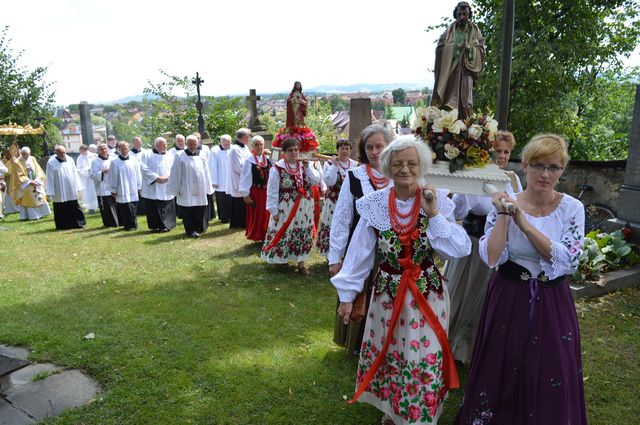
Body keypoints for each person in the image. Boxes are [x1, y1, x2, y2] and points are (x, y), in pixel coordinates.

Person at [332, 136, 471, 425]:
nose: (405, 169)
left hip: (427, 295)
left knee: (422, 354)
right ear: (388, 167)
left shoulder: (436, 200)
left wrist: (433, 215)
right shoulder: (375, 204)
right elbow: (360, 253)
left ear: (422, 166)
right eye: (398, 164)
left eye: (411, 163)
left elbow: (459, 248)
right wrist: (347, 295)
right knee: (393, 352)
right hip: (388, 294)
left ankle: (420, 414)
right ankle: (394, 410)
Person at [455, 134, 587, 424]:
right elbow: (491, 257)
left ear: (562, 169)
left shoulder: (572, 209)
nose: (545, 174)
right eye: (538, 165)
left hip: (552, 301)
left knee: (552, 367)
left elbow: (568, 258)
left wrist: (525, 226)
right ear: (525, 165)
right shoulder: (506, 202)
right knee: (501, 364)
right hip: (509, 296)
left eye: (554, 167)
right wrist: (503, 214)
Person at [445, 130, 522, 363]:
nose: (502, 156)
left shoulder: (512, 179)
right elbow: (458, 212)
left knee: (488, 297)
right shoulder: (475, 175)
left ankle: (477, 347)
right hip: (474, 245)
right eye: (498, 151)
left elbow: (519, 207)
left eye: (507, 152)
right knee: (464, 292)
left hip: (502, 248)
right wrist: (463, 192)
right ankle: (451, 344)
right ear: (487, 152)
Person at [328, 124, 393, 356]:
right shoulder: (354, 177)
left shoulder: (399, 174)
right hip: (360, 246)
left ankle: (384, 343)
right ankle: (356, 344)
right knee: (359, 291)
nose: (374, 152)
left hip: (391, 251)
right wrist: (335, 256)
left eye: (379, 146)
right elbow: (342, 217)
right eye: (369, 147)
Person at [261, 137, 320, 275]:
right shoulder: (277, 168)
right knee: (285, 231)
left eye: (296, 150)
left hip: (304, 207)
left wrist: (307, 167)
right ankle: (283, 259)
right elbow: (272, 191)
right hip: (285, 207)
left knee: (303, 232)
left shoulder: (304, 166)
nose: (294, 153)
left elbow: (315, 181)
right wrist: (273, 210)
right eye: (290, 151)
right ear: (284, 152)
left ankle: (301, 263)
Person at [430, 1, 485, 119]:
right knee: (449, 103)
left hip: (467, 70)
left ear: (469, 15)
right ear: (456, 15)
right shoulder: (449, 31)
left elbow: (481, 49)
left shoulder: (475, 30)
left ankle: (466, 125)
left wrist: (469, 48)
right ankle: (450, 128)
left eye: (465, 14)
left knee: (466, 102)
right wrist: (455, 47)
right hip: (451, 71)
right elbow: (440, 48)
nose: (462, 17)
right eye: (459, 14)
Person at [316, 139, 358, 256]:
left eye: (347, 149)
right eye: (342, 148)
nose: (344, 151)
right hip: (333, 202)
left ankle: (346, 254)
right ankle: (330, 255)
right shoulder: (329, 164)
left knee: (347, 226)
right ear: (337, 150)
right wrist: (334, 165)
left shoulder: (354, 165)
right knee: (332, 226)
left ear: (350, 151)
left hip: (349, 202)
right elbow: (329, 181)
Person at [168, 134, 213, 238]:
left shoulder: (202, 155)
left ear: (197, 144)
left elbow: (206, 172)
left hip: (200, 187)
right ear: (186, 144)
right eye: (190, 144)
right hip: (186, 187)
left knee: (200, 207)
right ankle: (190, 230)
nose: (193, 146)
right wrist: (177, 189)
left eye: (194, 144)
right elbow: (176, 173)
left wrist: (208, 186)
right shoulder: (180, 156)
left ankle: (199, 227)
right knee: (188, 209)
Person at [239, 135, 272, 242]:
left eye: (261, 144)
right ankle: (259, 236)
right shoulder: (249, 161)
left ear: (264, 145)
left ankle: (268, 235)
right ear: (252, 146)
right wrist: (245, 194)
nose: (259, 147)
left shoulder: (268, 159)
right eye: (256, 145)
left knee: (269, 213)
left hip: (268, 192)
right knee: (259, 215)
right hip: (256, 192)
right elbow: (245, 178)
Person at [45, 144, 86, 230]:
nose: (63, 154)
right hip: (59, 189)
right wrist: (50, 191)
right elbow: (49, 177)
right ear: (56, 153)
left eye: (64, 152)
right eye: (61, 153)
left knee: (74, 205)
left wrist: (78, 186)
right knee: (60, 207)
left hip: (70, 187)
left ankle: (78, 223)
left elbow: (75, 173)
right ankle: (63, 225)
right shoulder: (51, 163)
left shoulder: (70, 159)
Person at [140, 137, 175, 232]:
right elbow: (143, 168)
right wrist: (156, 178)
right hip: (153, 186)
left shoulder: (170, 155)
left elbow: (174, 168)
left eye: (166, 144)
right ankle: (155, 226)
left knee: (166, 205)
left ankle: (167, 225)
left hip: (166, 183)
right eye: (163, 144)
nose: (165, 146)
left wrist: (168, 177)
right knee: (153, 207)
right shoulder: (147, 154)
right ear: (156, 145)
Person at [8, 146, 51, 221]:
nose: (26, 156)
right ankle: (32, 216)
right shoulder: (17, 162)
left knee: (39, 196)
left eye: (27, 154)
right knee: (29, 197)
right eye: (24, 154)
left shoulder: (32, 158)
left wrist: (37, 179)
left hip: (36, 181)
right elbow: (18, 175)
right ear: (21, 153)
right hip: (26, 184)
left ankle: (43, 213)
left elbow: (38, 169)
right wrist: (29, 181)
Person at [109, 141, 142, 231]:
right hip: (121, 187)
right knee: (124, 207)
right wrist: (113, 189)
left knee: (133, 206)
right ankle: (127, 225)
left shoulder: (133, 160)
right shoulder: (114, 162)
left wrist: (139, 186)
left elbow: (138, 173)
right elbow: (113, 176)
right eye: (122, 149)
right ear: (119, 150)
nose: (124, 150)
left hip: (132, 187)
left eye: (126, 148)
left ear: (128, 149)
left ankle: (134, 225)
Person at [226, 128, 252, 229]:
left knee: (243, 201)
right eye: (248, 137)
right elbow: (239, 166)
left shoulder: (244, 147)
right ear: (243, 137)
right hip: (239, 178)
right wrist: (251, 171)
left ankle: (244, 221)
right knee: (238, 202)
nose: (249, 139)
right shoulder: (234, 149)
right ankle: (239, 222)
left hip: (245, 178)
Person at [90, 143, 119, 227]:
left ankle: (118, 221)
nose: (104, 150)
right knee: (107, 207)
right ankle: (109, 223)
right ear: (99, 150)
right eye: (101, 149)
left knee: (116, 205)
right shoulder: (95, 161)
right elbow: (92, 175)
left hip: (113, 186)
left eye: (105, 148)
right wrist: (103, 173)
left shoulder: (113, 159)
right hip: (102, 189)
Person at [211, 134, 232, 223]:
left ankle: (232, 215)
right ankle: (224, 217)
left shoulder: (233, 148)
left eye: (229, 144)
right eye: (225, 144)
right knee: (222, 200)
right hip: (220, 179)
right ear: (220, 142)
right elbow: (212, 166)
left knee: (231, 198)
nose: (227, 146)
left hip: (231, 179)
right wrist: (214, 181)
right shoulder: (215, 150)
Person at [76, 144, 98, 212]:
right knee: (87, 192)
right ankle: (89, 206)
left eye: (82, 151)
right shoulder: (80, 158)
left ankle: (96, 204)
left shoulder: (93, 156)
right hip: (85, 178)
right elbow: (78, 168)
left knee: (94, 191)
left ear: (86, 150)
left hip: (93, 177)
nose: (81, 153)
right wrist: (83, 171)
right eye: (80, 152)